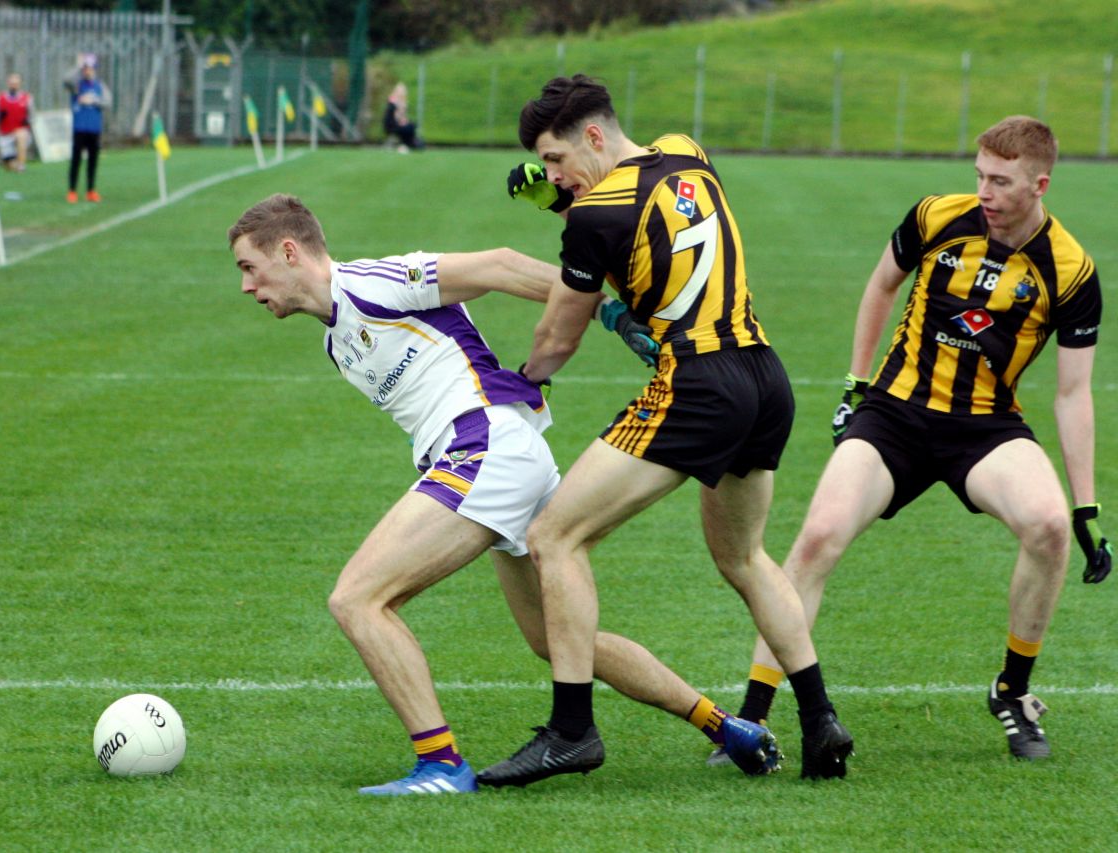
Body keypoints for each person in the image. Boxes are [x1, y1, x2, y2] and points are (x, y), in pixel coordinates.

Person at [228, 193, 783, 796]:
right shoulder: (337, 339)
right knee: (556, 641)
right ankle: (724, 726)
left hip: (486, 449)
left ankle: (441, 766)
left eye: (249, 267)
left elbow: (495, 266)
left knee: (358, 599)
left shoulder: (374, 282)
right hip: (500, 455)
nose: (246, 286)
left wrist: (607, 312)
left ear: (289, 251)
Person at [478, 74, 854, 788]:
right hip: (764, 376)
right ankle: (819, 718)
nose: (554, 174)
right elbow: (641, 217)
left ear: (592, 136)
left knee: (554, 536)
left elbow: (559, 331)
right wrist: (563, 198)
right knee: (744, 557)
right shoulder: (687, 152)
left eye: (557, 159)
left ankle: (570, 730)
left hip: (697, 385)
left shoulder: (592, 220)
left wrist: (524, 378)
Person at [727, 115, 1110, 762]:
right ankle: (753, 714)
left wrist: (1086, 505)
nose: (984, 191)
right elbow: (882, 284)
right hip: (895, 415)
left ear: (1040, 184)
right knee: (817, 537)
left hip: (986, 428)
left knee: (1045, 526)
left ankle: (1012, 691)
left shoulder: (1071, 272)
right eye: (980, 175)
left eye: (1001, 181)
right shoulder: (937, 216)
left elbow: (1074, 394)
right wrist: (856, 381)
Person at [65, 55, 110, 203]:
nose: (87, 71)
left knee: (93, 161)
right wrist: (77, 66)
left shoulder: (99, 86)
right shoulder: (77, 85)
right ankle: (72, 190)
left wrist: (94, 100)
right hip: (79, 128)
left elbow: (108, 102)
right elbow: (66, 81)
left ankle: (91, 190)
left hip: (94, 129)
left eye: (89, 68)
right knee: (76, 160)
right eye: (85, 69)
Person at [0, 73, 33, 172]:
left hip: (20, 132)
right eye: (12, 83)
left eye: (16, 83)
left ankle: (21, 165)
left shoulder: (27, 98)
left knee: (21, 134)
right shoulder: (0, 98)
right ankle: (13, 162)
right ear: (8, 83)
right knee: (9, 166)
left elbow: (33, 116)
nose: (14, 85)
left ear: (20, 84)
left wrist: (27, 120)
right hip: (6, 133)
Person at [382, 82, 423, 153]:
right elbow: (395, 117)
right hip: (392, 125)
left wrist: (405, 121)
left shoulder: (403, 102)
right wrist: (402, 121)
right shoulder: (393, 101)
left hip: (397, 124)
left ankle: (410, 143)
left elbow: (403, 116)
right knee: (409, 127)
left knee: (412, 125)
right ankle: (408, 144)